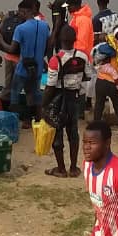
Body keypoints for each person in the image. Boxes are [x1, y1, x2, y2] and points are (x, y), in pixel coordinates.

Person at [42, 25, 90, 177]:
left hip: (58, 98)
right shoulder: (83, 57)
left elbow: (50, 86)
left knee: (57, 132)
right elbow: (87, 76)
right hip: (74, 98)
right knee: (73, 132)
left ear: (59, 40)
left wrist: (42, 105)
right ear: (75, 40)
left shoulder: (56, 60)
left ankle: (61, 169)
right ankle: (74, 168)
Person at [0, 0, 51, 125]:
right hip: (38, 67)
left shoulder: (21, 29)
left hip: (23, 67)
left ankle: (17, 121)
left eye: (20, 12)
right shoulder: (45, 26)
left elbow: (12, 48)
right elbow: (49, 46)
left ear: (24, 12)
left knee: (15, 93)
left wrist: (0, 40)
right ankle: (37, 120)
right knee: (35, 93)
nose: (19, 15)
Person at [0, 3, 25, 111]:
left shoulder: (8, 16)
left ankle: (2, 108)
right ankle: (14, 112)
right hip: (20, 59)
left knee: (8, 86)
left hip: (8, 57)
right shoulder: (34, 20)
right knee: (22, 88)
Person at [93, 42, 118, 140]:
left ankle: (96, 134)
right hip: (112, 85)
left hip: (100, 82)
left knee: (98, 107)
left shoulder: (102, 59)